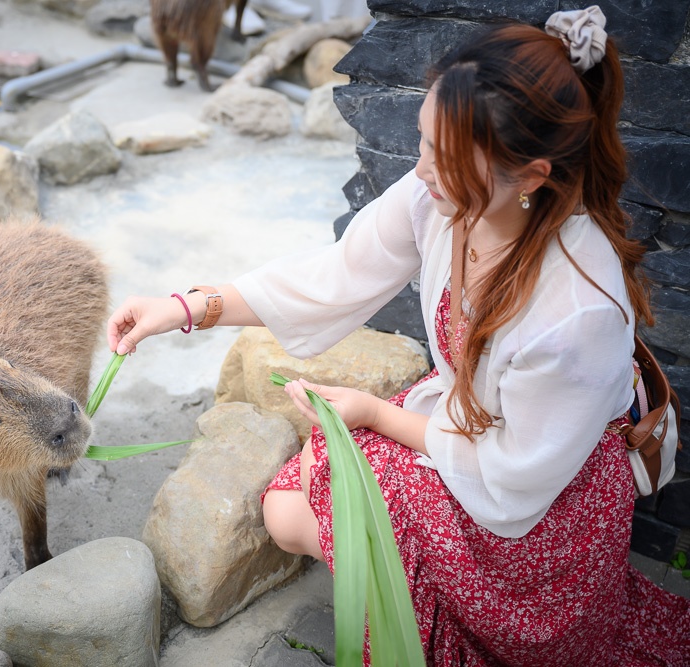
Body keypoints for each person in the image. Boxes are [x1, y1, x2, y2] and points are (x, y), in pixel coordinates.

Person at [107, 7, 690, 665]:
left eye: (450, 158)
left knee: (296, 510)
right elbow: (329, 279)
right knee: (286, 505)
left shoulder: (578, 311)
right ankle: (420, 592)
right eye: (424, 141)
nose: (423, 169)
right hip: (468, 435)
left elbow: (509, 479)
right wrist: (186, 307)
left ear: (532, 176)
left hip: (533, 516)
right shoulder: (440, 197)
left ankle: (460, 618)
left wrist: (377, 414)